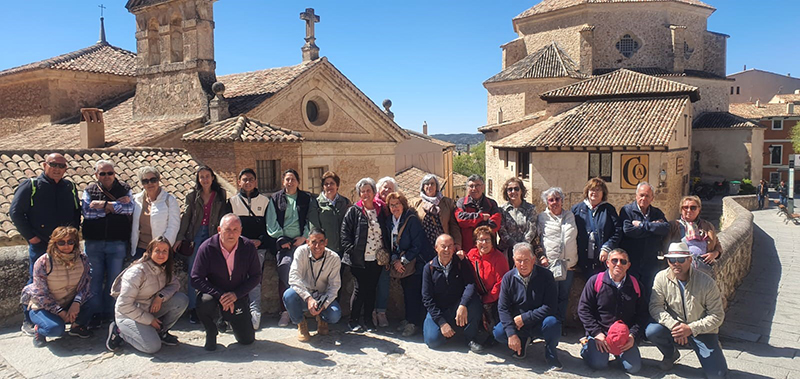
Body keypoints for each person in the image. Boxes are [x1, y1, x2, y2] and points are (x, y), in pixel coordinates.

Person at [10, 153, 81, 335]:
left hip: (66, 245)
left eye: (61, 166)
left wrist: (73, 236)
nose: (57, 168)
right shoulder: (31, 186)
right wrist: (31, 237)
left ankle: (64, 316)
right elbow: (16, 212)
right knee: (36, 282)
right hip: (41, 244)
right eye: (53, 164)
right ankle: (29, 319)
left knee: (68, 280)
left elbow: (76, 212)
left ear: (66, 169)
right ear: (44, 165)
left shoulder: (69, 187)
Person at [646, 242, 727, 378]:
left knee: (717, 375)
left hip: (701, 330)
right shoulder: (661, 278)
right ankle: (670, 354)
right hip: (675, 327)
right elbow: (655, 307)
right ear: (668, 261)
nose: (676, 263)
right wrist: (675, 326)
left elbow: (717, 315)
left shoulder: (706, 282)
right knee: (652, 331)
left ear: (690, 260)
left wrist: (690, 328)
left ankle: (713, 348)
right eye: (672, 260)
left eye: (681, 259)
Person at [106, 237, 189, 354]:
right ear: (150, 252)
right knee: (152, 347)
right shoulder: (136, 272)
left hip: (149, 308)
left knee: (181, 300)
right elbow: (123, 306)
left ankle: (161, 332)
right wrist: (149, 320)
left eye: (165, 251)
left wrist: (160, 297)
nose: (161, 254)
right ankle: (119, 331)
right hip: (128, 315)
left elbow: (174, 285)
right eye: (157, 251)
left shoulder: (164, 268)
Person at [191, 214, 262, 351]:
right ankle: (211, 330)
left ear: (241, 231)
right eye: (227, 229)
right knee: (204, 302)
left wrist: (236, 294)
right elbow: (195, 278)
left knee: (247, 340)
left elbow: (256, 276)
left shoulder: (248, 247)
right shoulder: (207, 247)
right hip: (213, 294)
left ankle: (224, 320)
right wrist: (220, 295)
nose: (231, 234)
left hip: (237, 295)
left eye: (235, 230)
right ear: (219, 229)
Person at [493, 242, 562, 372]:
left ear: (533, 260)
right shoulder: (508, 278)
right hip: (518, 323)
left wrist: (525, 318)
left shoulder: (546, 276)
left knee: (553, 323)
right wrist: (511, 334)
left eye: (526, 260)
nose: (523, 264)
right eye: (519, 260)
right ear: (514, 260)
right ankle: (522, 340)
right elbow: (503, 308)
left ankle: (551, 353)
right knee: (499, 332)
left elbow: (550, 306)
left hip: (538, 321)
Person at [81, 160, 134, 326]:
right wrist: (115, 207)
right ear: (96, 175)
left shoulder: (125, 189)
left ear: (115, 173)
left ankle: (111, 314)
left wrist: (103, 206)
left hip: (117, 242)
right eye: (102, 173)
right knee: (94, 280)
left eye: (109, 173)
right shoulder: (89, 190)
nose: (106, 176)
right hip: (94, 243)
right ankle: (95, 314)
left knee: (114, 281)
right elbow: (87, 213)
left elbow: (130, 209)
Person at [577, 249, 648, 374]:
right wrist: (596, 333)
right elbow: (583, 309)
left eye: (623, 261)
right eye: (614, 260)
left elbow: (642, 314)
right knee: (599, 364)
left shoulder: (636, 285)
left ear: (628, 265)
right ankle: (587, 347)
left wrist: (632, 336)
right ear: (608, 263)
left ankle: (616, 354)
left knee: (633, 368)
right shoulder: (595, 281)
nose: (618, 264)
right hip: (600, 334)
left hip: (624, 336)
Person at [20, 227, 92, 347]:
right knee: (55, 330)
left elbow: (86, 283)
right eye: (61, 242)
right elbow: (41, 294)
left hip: (68, 301)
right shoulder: (44, 262)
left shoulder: (82, 259)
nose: (66, 246)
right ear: (54, 243)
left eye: (70, 242)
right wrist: (60, 312)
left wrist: (76, 303)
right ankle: (39, 331)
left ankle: (77, 326)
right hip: (43, 306)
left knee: (94, 302)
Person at [176, 166, 226, 324]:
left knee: (213, 272)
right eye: (202, 177)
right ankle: (193, 309)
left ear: (213, 178)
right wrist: (180, 237)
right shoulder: (192, 196)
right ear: (198, 179)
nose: (205, 179)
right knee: (193, 273)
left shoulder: (220, 195)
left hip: (213, 235)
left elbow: (222, 216)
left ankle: (212, 308)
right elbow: (186, 217)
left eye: (207, 176)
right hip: (195, 236)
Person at [223, 168, 270, 330]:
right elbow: (229, 228)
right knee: (235, 280)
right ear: (239, 182)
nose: (248, 182)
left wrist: (260, 241)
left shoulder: (265, 202)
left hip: (258, 248)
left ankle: (255, 315)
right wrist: (243, 241)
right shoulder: (232, 202)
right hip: (238, 248)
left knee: (255, 281)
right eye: (245, 179)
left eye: (251, 179)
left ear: (255, 182)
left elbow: (268, 227)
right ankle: (235, 315)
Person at [421, 234, 484, 352]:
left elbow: (470, 284)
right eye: (443, 246)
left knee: (474, 302)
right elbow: (427, 298)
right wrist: (441, 322)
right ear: (436, 248)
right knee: (433, 341)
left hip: (457, 305)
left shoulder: (460, 263)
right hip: (439, 309)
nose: (447, 250)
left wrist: (463, 304)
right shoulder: (428, 268)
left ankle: (470, 338)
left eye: (450, 246)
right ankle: (449, 331)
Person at [341, 177, 388, 332]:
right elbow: (345, 233)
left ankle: (368, 319)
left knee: (372, 289)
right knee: (360, 289)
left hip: (377, 259)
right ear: (359, 194)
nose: (366, 194)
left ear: (374, 192)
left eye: (369, 190)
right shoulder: (354, 211)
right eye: (363, 191)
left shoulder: (380, 211)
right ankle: (353, 320)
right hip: (359, 258)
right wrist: (352, 252)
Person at [267, 169, 312, 328]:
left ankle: (301, 310)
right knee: (284, 270)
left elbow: (310, 220)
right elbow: (271, 222)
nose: (290, 182)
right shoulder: (275, 199)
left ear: (298, 182)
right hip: (284, 244)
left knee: (304, 274)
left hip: (302, 242)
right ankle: (285, 312)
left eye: (293, 179)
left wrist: (304, 237)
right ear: (283, 181)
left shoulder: (306, 198)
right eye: (287, 179)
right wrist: (281, 239)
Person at [385, 191, 434, 337]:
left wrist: (403, 261)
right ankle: (408, 319)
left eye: (397, 204)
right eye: (392, 205)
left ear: (403, 205)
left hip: (414, 262)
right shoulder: (389, 221)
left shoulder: (411, 220)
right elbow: (390, 244)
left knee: (413, 293)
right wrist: (395, 260)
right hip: (399, 262)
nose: (395, 208)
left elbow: (417, 244)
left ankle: (413, 323)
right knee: (406, 292)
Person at [282, 228, 342, 342]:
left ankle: (322, 319)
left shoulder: (334, 258)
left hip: (322, 297)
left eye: (321, 241)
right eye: (314, 242)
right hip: (304, 295)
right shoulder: (301, 252)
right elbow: (293, 278)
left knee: (335, 315)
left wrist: (323, 305)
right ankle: (301, 323)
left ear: (326, 242)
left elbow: (334, 286)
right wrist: (308, 298)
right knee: (288, 295)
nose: (317, 246)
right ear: (307, 242)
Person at [618, 182, 668, 299]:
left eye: (647, 196)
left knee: (649, 294)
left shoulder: (657, 213)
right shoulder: (627, 210)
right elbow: (628, 231)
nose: (643, 198)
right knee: (630, 293)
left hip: (650, 262)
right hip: (632, 261)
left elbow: (665, 228)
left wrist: (641, 225)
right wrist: (653, 229)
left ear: (652, 198)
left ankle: (646, 317)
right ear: (636, 196)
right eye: (641, 195)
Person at [537, 187, 578, 323]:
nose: (555, 202)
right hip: (551, 264)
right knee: (551, 295)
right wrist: (542, 257)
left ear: (562, 200)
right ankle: (550, 323)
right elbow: (536, 240)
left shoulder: (570, 216)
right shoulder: (542, 218)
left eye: (557, 199)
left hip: (569, 263)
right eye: (551, 200)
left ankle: (560, 323)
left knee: (564, 295)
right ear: (546, 202)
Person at [464, 225, 509, 345]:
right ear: (476, 242)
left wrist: (487, 299)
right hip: (477, 295)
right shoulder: (472, 255)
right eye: (481, 240)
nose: (484, 243)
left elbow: (501, 283)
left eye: (487, 240)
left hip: (494, 298)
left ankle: (493, 336)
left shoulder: (499, 258)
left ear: (492, 241)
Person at [572, 177, 621, 277]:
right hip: (582, 259)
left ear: (603, 193)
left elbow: (618, 230)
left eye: (598, 190)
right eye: (592, 189)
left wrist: (607, 247)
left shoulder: (609, 210)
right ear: (587, 191)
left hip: (602, 260)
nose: (595, 192)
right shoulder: (577, 209)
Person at [130, 166, 180, 261]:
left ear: (158, 180)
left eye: (153, 180)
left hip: (160, 251)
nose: (150, 183)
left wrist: (163, 247)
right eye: (145, 181)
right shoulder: (136, 200)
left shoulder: (169, 200)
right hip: (140, 248)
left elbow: (173, 226)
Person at [666, 196, 721, 277]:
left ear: (699, 209)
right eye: (685, 207)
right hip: (681, 270)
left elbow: (718, 245)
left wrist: (715, 253)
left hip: (704, 269)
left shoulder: (707, 226)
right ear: (681, 210)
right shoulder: (673, 226)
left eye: (693, 208)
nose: (689, 210)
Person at [411, 174, 462, 253]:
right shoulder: (415, 203)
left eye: (432, 183)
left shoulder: (447, 202)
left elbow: (453, 225)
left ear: (437, 186)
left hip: (444, 246)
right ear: (423, 187)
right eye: (427, 184)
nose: (429, 186)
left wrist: (457, 243)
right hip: (423, 246)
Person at [373, 176, 398, 328]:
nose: (386, 190)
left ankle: (381, 312)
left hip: (386, 253)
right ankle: (370, 312)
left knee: (383, 282)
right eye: (384, 187)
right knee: (368, 283)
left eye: (390, 188)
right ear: (378, 189)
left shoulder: (393, 208)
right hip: (369, 251)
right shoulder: (372, 205)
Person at [498, 177, 539, 268]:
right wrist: (514, 245)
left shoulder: (530, 209)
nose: (513, 191)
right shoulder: (502, 210)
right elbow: (502, 231)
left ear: (521, 191)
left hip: (526, 251)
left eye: (516, 188)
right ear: (506, 192)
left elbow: (532, 229)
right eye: (510, 189)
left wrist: (522, 247)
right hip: (507, 251)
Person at [455, 174, 502, 252]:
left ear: (483, 187)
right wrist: (481, 217)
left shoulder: (491, 203)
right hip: (468, 250)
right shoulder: (462, 202)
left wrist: (472, 224)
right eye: (471, 186)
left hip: (488, 250)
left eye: (477, 185)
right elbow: (460, 219)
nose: (474, 189)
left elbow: (495, 224)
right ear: (467, 188)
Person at [308, 171, 351, 255]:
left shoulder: (345, 202)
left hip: (343, 250)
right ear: (323, 187)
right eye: (326, 184)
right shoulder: (315, 203)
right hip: (325, 250)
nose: (329, 186)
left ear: (337, 186)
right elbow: (314, 228)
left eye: (332, 183)